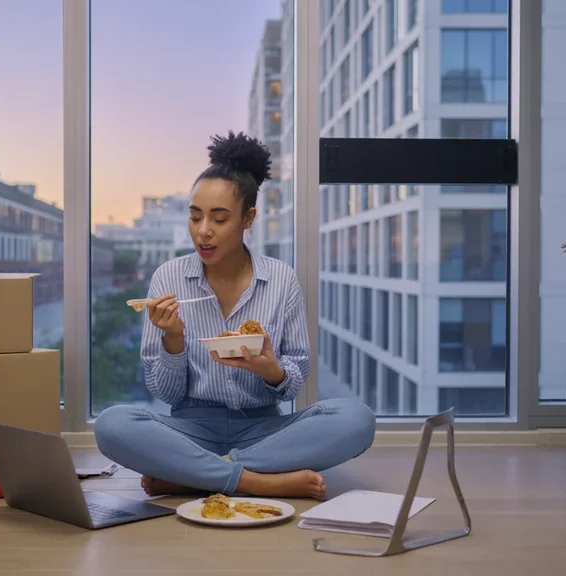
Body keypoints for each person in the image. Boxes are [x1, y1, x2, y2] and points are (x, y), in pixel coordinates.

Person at [94, 131, 375, 499]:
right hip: (190, 428)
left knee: (357, 420)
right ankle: (255, 481)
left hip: (264, 430)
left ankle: (195, 475)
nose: (203, 232)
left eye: (219, 218)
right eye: (195, 218)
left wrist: (270, 370)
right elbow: (164, 392)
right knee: (112, 424)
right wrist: (173, 341)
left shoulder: (280, 279)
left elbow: (296, 379)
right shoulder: (168, 277)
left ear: (248, 218)